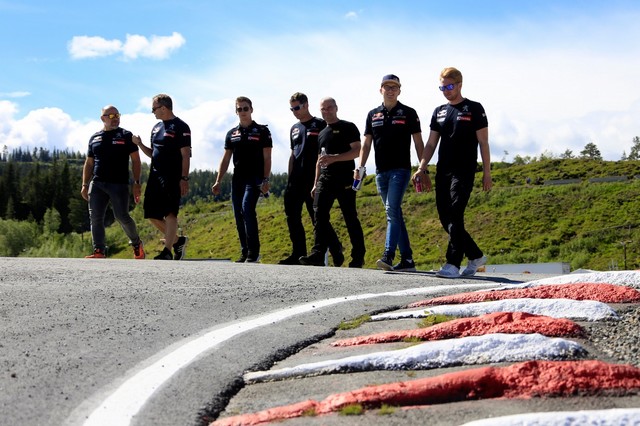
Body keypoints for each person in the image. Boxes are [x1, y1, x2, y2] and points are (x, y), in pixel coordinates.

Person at [413, 67, 492, 278]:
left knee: (456, 214)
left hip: (464, 170)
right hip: (443, 170)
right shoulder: (439, 111)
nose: (446, 91)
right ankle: (475, 255)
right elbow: (430, 144)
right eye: (442, 87)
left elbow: (483, 143)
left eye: (449, 86)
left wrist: (487, 172)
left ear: (459, 84)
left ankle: (452, 264)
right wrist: (422, 167)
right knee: (445, 217)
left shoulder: (474, 108)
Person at [358, 74, 424, 272]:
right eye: (387, 86)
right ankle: (408, 260)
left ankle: (388, 255)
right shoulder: (372, 114)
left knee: (391, 211)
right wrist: (360, 167)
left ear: (399, 91)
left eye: (394, 87)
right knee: (395, 213)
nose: (390, 90)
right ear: (381, 90)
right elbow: (366, 144)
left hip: (401, 170)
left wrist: (423, 167)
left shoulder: (409, 112)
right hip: (380, 172)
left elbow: (419, 142)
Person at [278, 92, 344, 266]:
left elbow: (325, 151)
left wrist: (321, 178)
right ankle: (297, 253)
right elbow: (293, 154)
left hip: (314, 177)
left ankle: (335, 247)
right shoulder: (294, 128)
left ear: (306, 105)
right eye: (292, 108)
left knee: (316, 216)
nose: (295, 111)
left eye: (297, 107)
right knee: (292, 216)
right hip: (295, 179)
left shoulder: (320, 124)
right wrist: (289, 178)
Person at [299, 97, 366, 268]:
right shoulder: (321, 133)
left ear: (336, 108)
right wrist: (315, 183)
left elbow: (357, 151)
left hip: (345, 179)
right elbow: (319, 160)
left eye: (330, 108)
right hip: (325, 180)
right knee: (319, 215)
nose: (326, 111)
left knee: (350, 217)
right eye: (323, 109)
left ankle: (358, 257)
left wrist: (335, 159)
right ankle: (318, 254)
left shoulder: (348, 127)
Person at [212, 96, 272, 263]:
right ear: (236, 111)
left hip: (255, 177)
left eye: (246, 108)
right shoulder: (232, 134)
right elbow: (225, 159)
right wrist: (218, 180)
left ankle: (254, 252)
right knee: (238, 214)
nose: (243, 112)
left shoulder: (262, 131)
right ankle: (244, 251)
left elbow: (267, 157)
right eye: (239, 109)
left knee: (247, 209)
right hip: (237, 178)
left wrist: (266, 179)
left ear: (251, 110)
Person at [81, 105, 145, 259]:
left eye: (117, 115)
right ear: (102, 118)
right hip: (97, 184)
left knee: (122, 216)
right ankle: (99, 250)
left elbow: (136, 161)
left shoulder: (126, 135)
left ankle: (136, 244)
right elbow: (89, 163)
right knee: (95, 217)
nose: (115, 118)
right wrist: (84, 184)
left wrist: (136, 183)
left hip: (119, 184)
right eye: (110, 116)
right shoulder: (94, 138)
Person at [133, 94, 191, 260]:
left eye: (154, 109)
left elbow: (186, 155)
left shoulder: (181, 126)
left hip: (173, 175)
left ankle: (167, 251)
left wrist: (184, 178)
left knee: (170, 213)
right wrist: (140, 144)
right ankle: (178, 241)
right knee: (151, 214)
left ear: (163, 108)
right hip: (155, 175)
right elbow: (153, 154)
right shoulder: (156, 127)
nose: (153, 112)